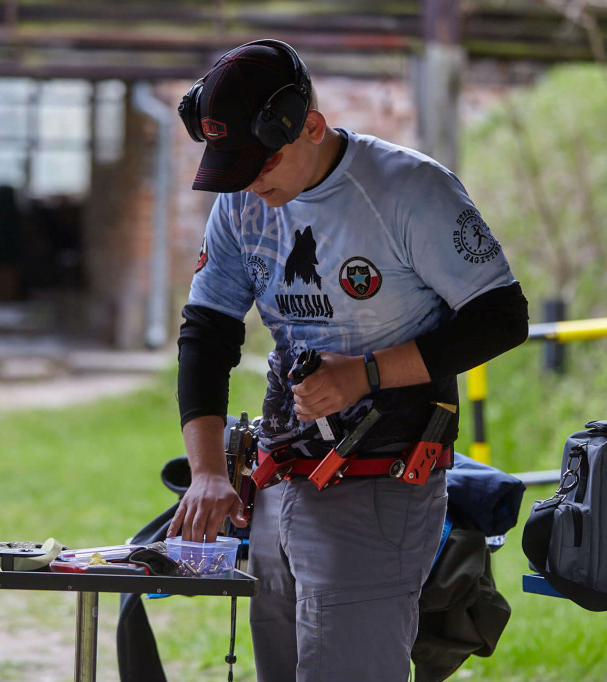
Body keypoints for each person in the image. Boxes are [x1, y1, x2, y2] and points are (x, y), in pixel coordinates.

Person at [167, 39, 529, 682]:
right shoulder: (242, 198)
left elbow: (502, 317)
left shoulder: (409, 190)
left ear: (311, 125)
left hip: (382, 484)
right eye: (234, 168)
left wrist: (366, 374)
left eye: (262, 163)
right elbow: (207, 333)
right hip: (281, 482)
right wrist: (207, 473)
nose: (250, 182)